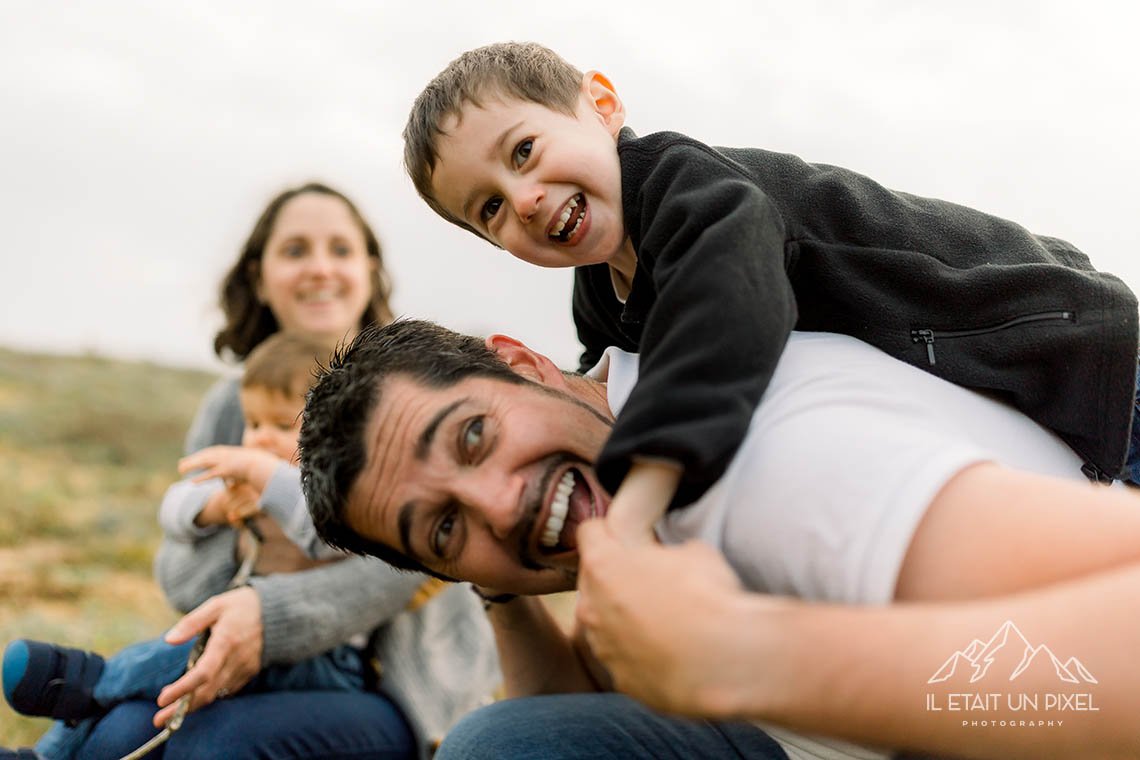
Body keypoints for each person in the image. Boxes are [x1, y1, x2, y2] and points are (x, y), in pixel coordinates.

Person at [297, 319, 1140, 760]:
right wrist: (500, 585)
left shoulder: (762, 463)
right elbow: (574, 712)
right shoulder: (621, 476)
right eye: (445, 527)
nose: (501, 504)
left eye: (473, 437)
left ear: (521, 361)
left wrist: (751, 656)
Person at [401, 40, 1140, 543]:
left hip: (1072, 338)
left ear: (601, 105)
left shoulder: (688, 184)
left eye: (524, 152)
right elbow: (600, 369)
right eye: (489, 209)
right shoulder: (598, 288)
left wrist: (642, 494)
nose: (524, 200)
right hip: (1028, 383)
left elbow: (722, 309)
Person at [4, 185, 499, 760]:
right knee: (120, 733)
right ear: (260, 277)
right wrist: (236, 524)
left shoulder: (409, 396)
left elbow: (413, 565)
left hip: (394, 682)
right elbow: (177, 572)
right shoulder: (229, 403)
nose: (319, 267)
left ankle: (96, 680)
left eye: (340, 248)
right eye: (295, 250)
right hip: (246, 649)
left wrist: (272, 604)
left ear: (369, 269)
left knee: (217, 748)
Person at [3, 332, 371, 759]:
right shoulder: (244, 478)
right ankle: (48, 753)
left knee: (151, 666)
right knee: (135, 685)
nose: (259, 440)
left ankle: (95, 676)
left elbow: (327, 533)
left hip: (324, 662)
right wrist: (215, 506)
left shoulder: (339, 493)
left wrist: (269, 481)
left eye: (280, 425)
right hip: (239, 636)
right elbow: (175, 503)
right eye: (253, 424)